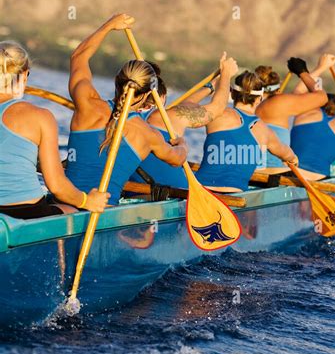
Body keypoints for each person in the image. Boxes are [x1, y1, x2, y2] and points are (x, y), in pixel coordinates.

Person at [66, 14, 187, 204]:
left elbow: (78, 57)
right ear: (148, 95)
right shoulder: (149, 135)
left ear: (117, 80)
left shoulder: (86, 102)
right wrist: (182, 145)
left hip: (65, 202)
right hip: (100, 215)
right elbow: (177, 159)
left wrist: (109, 26)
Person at [0, 41, 109, 219]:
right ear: (24, 75)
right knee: (73, 212)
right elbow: (57, 187)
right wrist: (87, 201)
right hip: (25, 212)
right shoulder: (40, 116)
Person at [130, 51, 238, 189]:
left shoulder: (123, 114)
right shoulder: (165, 116)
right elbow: (216, 109)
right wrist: (226, 74)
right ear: (162, 97)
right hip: (169, 195)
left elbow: (184, 107)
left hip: (134, 188)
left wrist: (211, 86)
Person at [195, 71, 298, 192]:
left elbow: (184, 109)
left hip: (200, 189)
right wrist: (293, 158)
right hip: (235, 195)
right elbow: (285, 152)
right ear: (259, 98)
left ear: (232, 94)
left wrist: (210, 87)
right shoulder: (265, 131)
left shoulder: (216, 115)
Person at [254, 53, 335, 172]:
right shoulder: (278, 103)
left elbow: (298, 92)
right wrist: (303, 73)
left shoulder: (247, 101)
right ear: (278, 88)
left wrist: (320, 68)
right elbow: (322, 97)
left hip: (249, 173)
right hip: (271, 175)